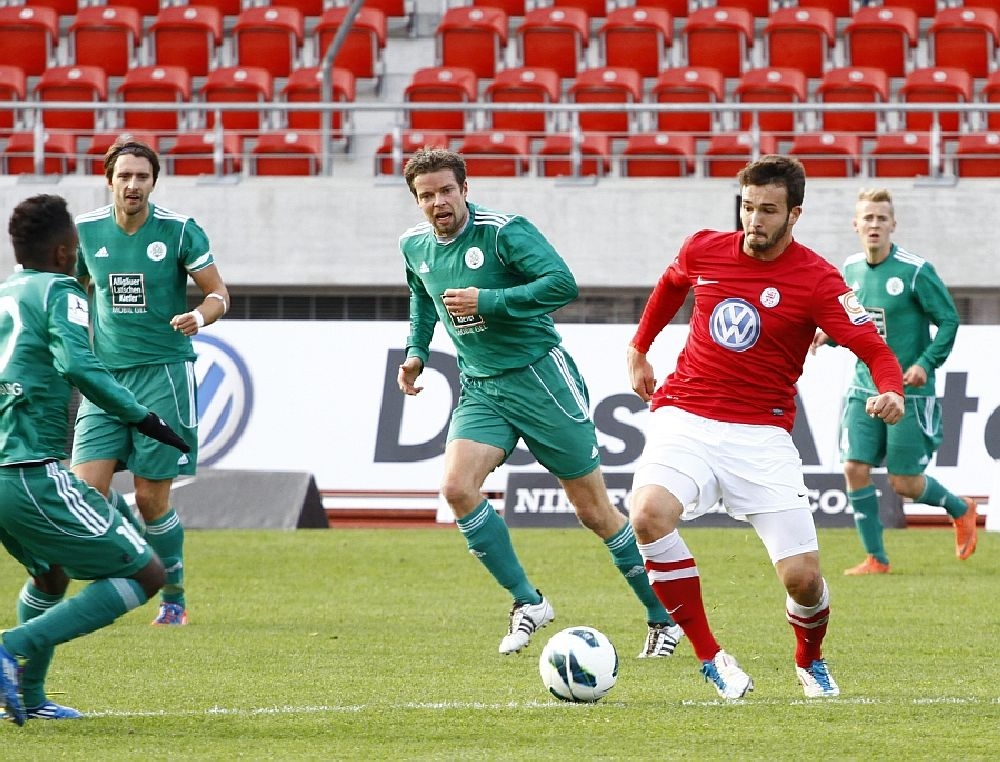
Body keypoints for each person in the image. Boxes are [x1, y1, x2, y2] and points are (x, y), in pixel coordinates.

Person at [625, 155, 905, 700]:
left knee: (804, 579)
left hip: (762, 434)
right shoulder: (704, 248)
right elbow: (671, 284)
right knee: (647, 515)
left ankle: (810, 658)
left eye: (768, 210)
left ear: (794, 214)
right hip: (685, 415)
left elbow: (873, 348)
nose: (754, 220)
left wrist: (891, 389)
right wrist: (639, 348)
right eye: (748, 207)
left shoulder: (818, 280)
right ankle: (712, 657)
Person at [396, 147, 683, 658]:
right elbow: (422, 296)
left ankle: (663, 619)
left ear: (465, 189)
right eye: (427, 195)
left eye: (447, 191)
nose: (438, 202)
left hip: (541, 381)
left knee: (595, 512)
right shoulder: (414, 245)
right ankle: (529, 601)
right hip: (481, 387)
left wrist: (488, 301)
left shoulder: (504, 232)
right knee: (457, 488)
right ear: (416, 200)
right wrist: (417, 351)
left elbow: (562, 285)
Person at [0, 194, 191, 725]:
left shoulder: (7, 292)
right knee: (145, 573)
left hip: (5, 467)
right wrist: (142, 417)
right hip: (29, 471)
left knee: (51, 574)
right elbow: (79, 365)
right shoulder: (59, 290)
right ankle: (10, 647)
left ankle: (30, 699)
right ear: (66, 253)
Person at [70, 137, 229, 626]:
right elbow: (71, 293)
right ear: (109, 180)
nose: (133, 184)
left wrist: (198, 317)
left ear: (154, 182)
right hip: (104, 380)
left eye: (142, 176)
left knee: (152, 499)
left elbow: (219, 294)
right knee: (84, 493)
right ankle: (139, 555)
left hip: (164, 376)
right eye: (125, 176)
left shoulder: (179, 231)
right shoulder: (85, 231)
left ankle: (173, 596)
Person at [811, 188, 976, 575]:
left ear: (893, 225)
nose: (874, 224)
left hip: (908, 393)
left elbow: (948, 320)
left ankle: (959, 508)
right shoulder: (850, 269)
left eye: (881, 218)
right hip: (863, 386)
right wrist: (829, 334)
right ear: (855, 225)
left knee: (904, 483)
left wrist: (925, 363)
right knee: (854, 467)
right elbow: (853, 318)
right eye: (867, 218)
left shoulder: (915, 271)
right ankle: (876, 559)